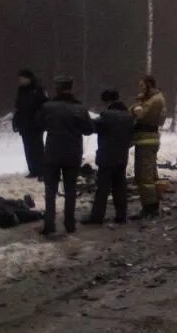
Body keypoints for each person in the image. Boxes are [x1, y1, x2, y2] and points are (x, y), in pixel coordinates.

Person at [36, 76, 94, 235]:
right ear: (71, 88)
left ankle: (49, 225)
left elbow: (39, 124)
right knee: (70, 190)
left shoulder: (47, 107)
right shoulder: (80, 108)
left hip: (52, 153)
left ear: (57, 88)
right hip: (72, 154)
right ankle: (70, 224)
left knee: (50, 190)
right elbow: (89, 130)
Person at [83, 89, 134, 225]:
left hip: (107, 158)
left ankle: (97, 217)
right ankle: (121, 216)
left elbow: (91, 128)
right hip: (122, 157)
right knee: (120, 188)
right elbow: (132, 137)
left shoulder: (106, 116)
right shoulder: (128, 116)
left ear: (108, 101)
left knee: (103, 189)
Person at [130, 75, 166, 220]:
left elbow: (139, 114)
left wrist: (137, 106)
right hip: (144, 139)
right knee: (149, 173)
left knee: (145, 175)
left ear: (149, 85)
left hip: (147, 140)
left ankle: (150, 207)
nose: (141, 89)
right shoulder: (150, 99)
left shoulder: (155, 100)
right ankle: (152, 204)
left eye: (143, 86)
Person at [12, 69, 47, 179]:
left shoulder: (38, 90)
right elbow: (18, 107)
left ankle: (42, 170)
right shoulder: (21, 90)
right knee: (28, 148)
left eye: (22, 78)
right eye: (19, 79)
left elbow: (45, 106)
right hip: (24, 124)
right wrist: (15, 121)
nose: (20, 81)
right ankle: (33, 170)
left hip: (36, 124)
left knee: (37, 148)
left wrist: (40, 119)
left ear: (28, 78)